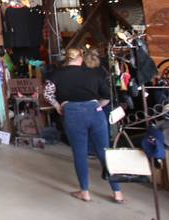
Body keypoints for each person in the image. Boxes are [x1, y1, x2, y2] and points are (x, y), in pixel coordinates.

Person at [44, 48, 123, 203]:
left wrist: (57, 106)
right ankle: (117, 192)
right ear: (80, 58)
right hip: (94, 111)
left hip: (72, 112)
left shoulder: (57, 74)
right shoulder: (93, 73)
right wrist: (98, 106)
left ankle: (85, 192)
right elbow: (107, 96)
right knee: (104, 152)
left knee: (80, 153)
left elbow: (47, 93)